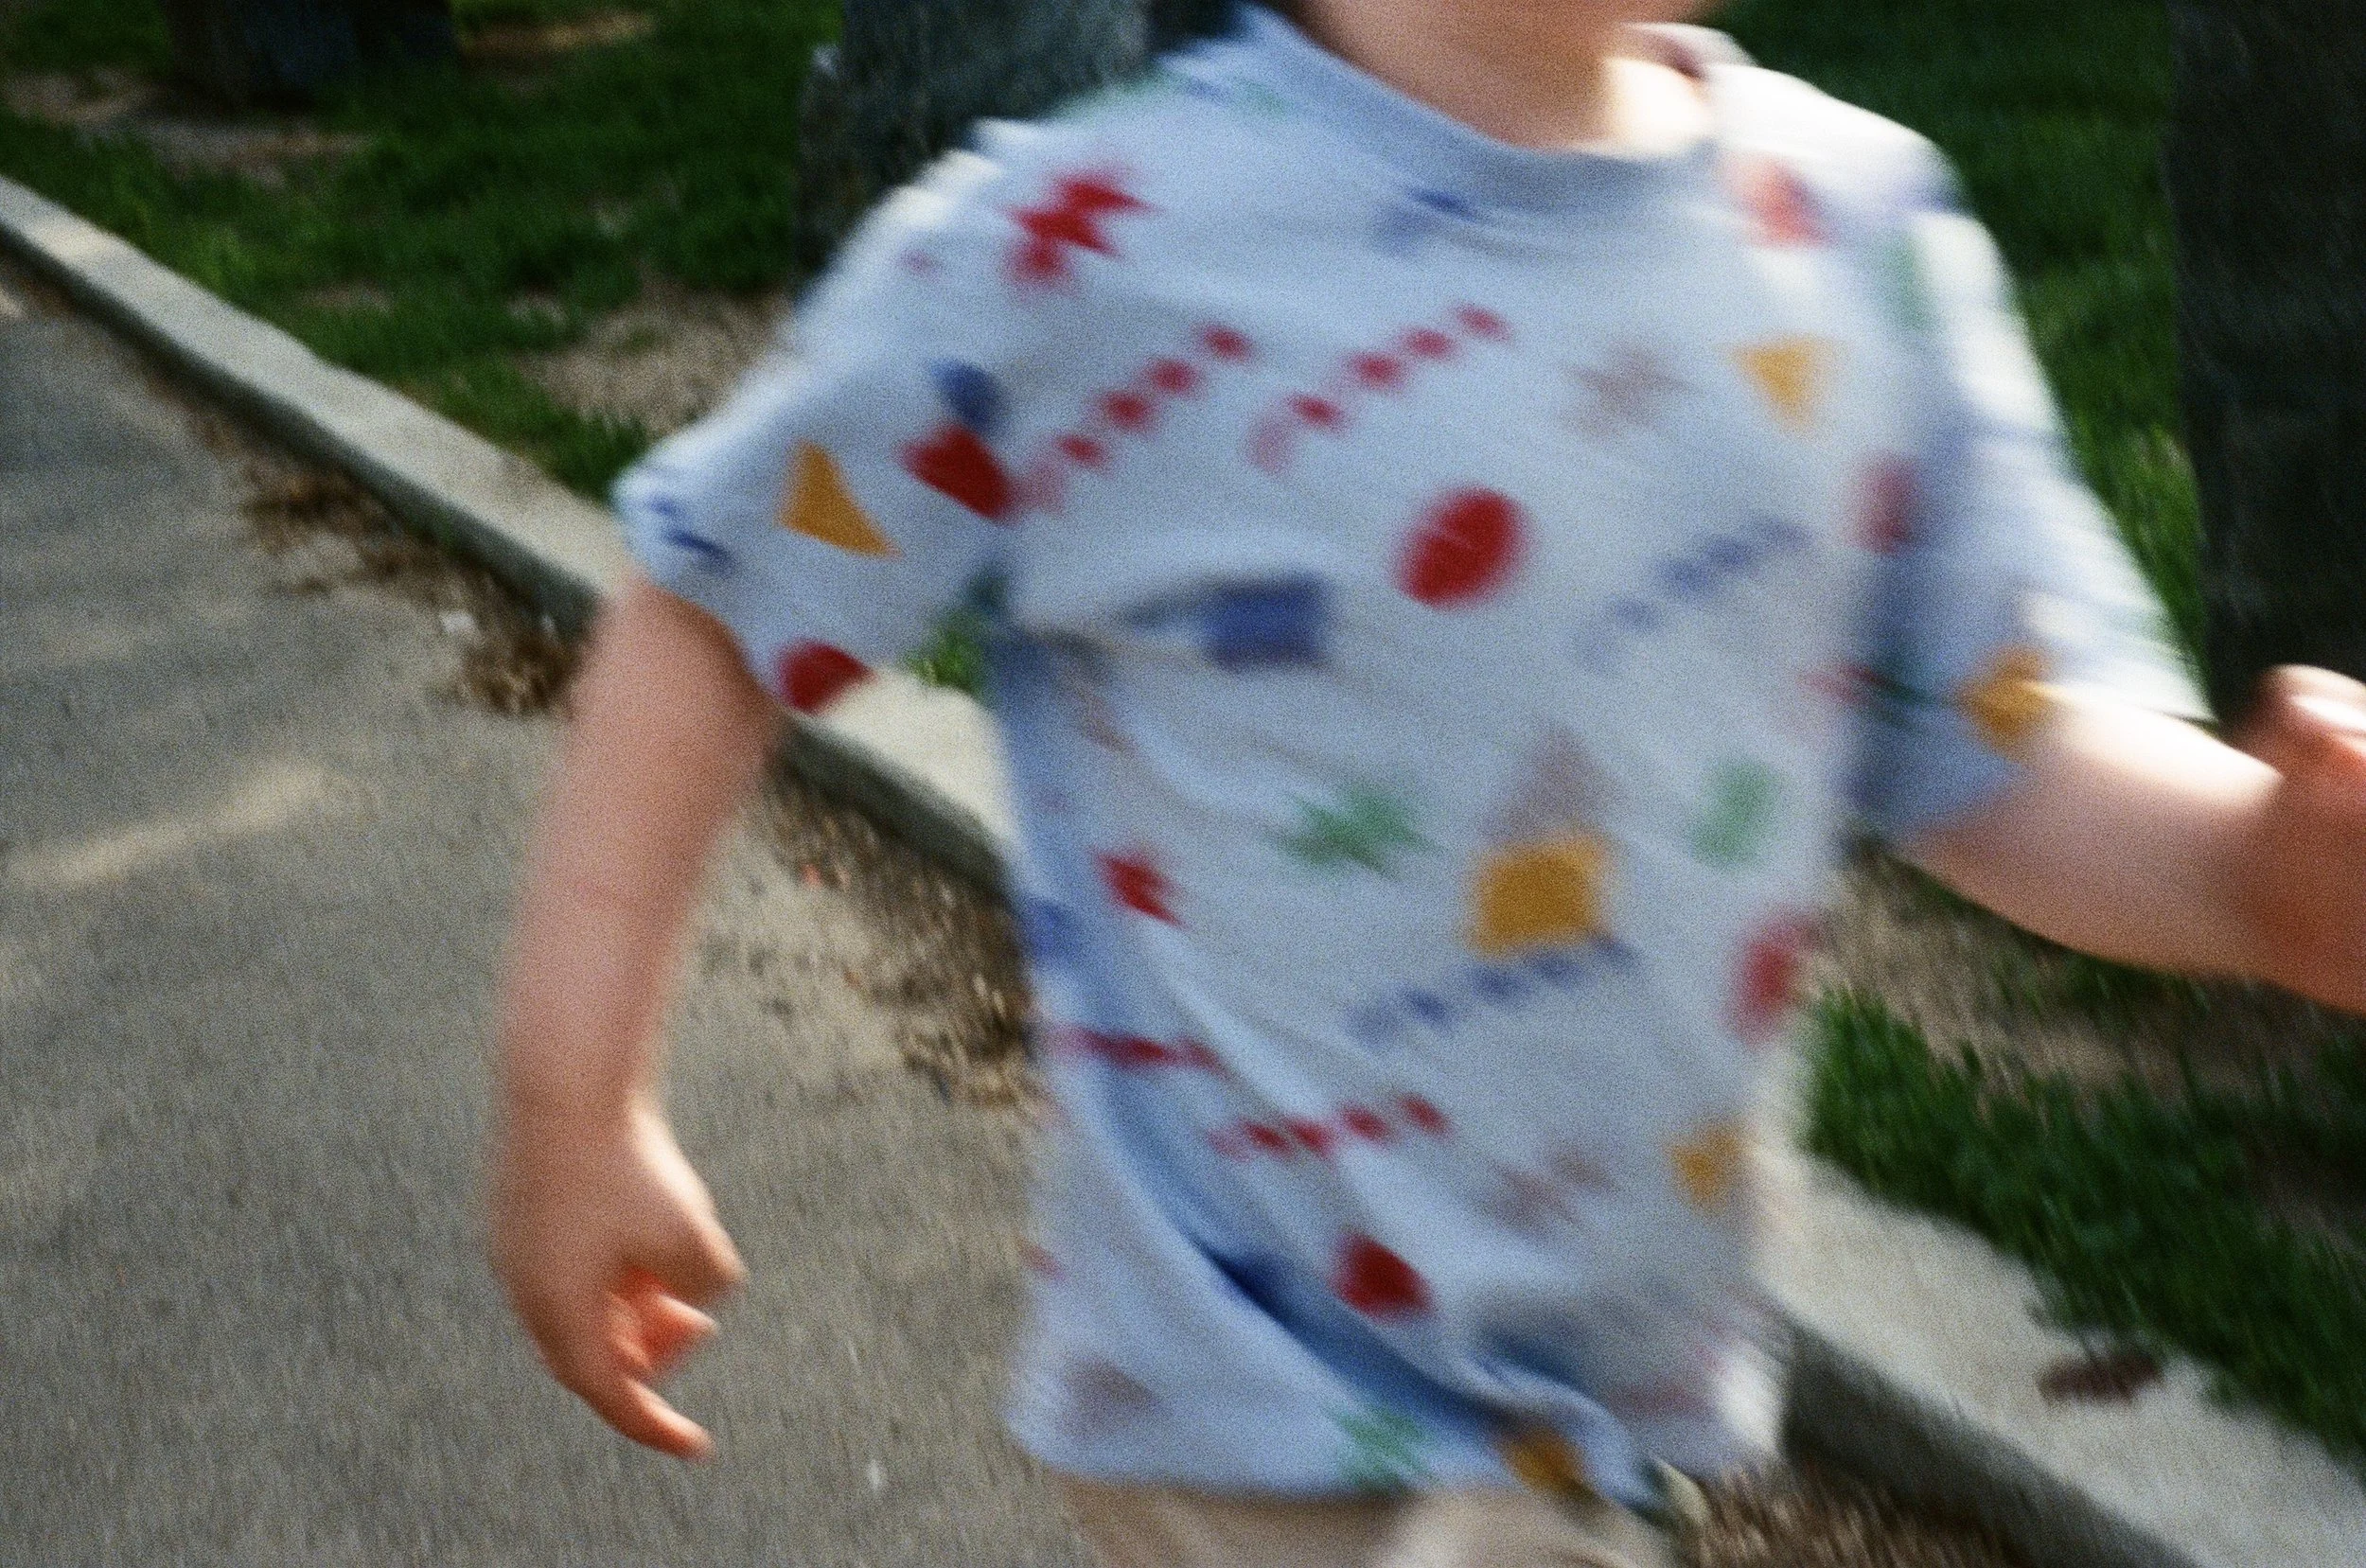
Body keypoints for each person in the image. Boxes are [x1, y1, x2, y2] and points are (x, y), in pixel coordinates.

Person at [489, 3, 2366, 1563]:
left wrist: (2250, 876)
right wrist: (574, 1092)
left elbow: (1999, 743)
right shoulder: (1089, 249)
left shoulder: (1853, 233)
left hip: (1602, 1402)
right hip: (1263, 1401)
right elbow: (718, 592)